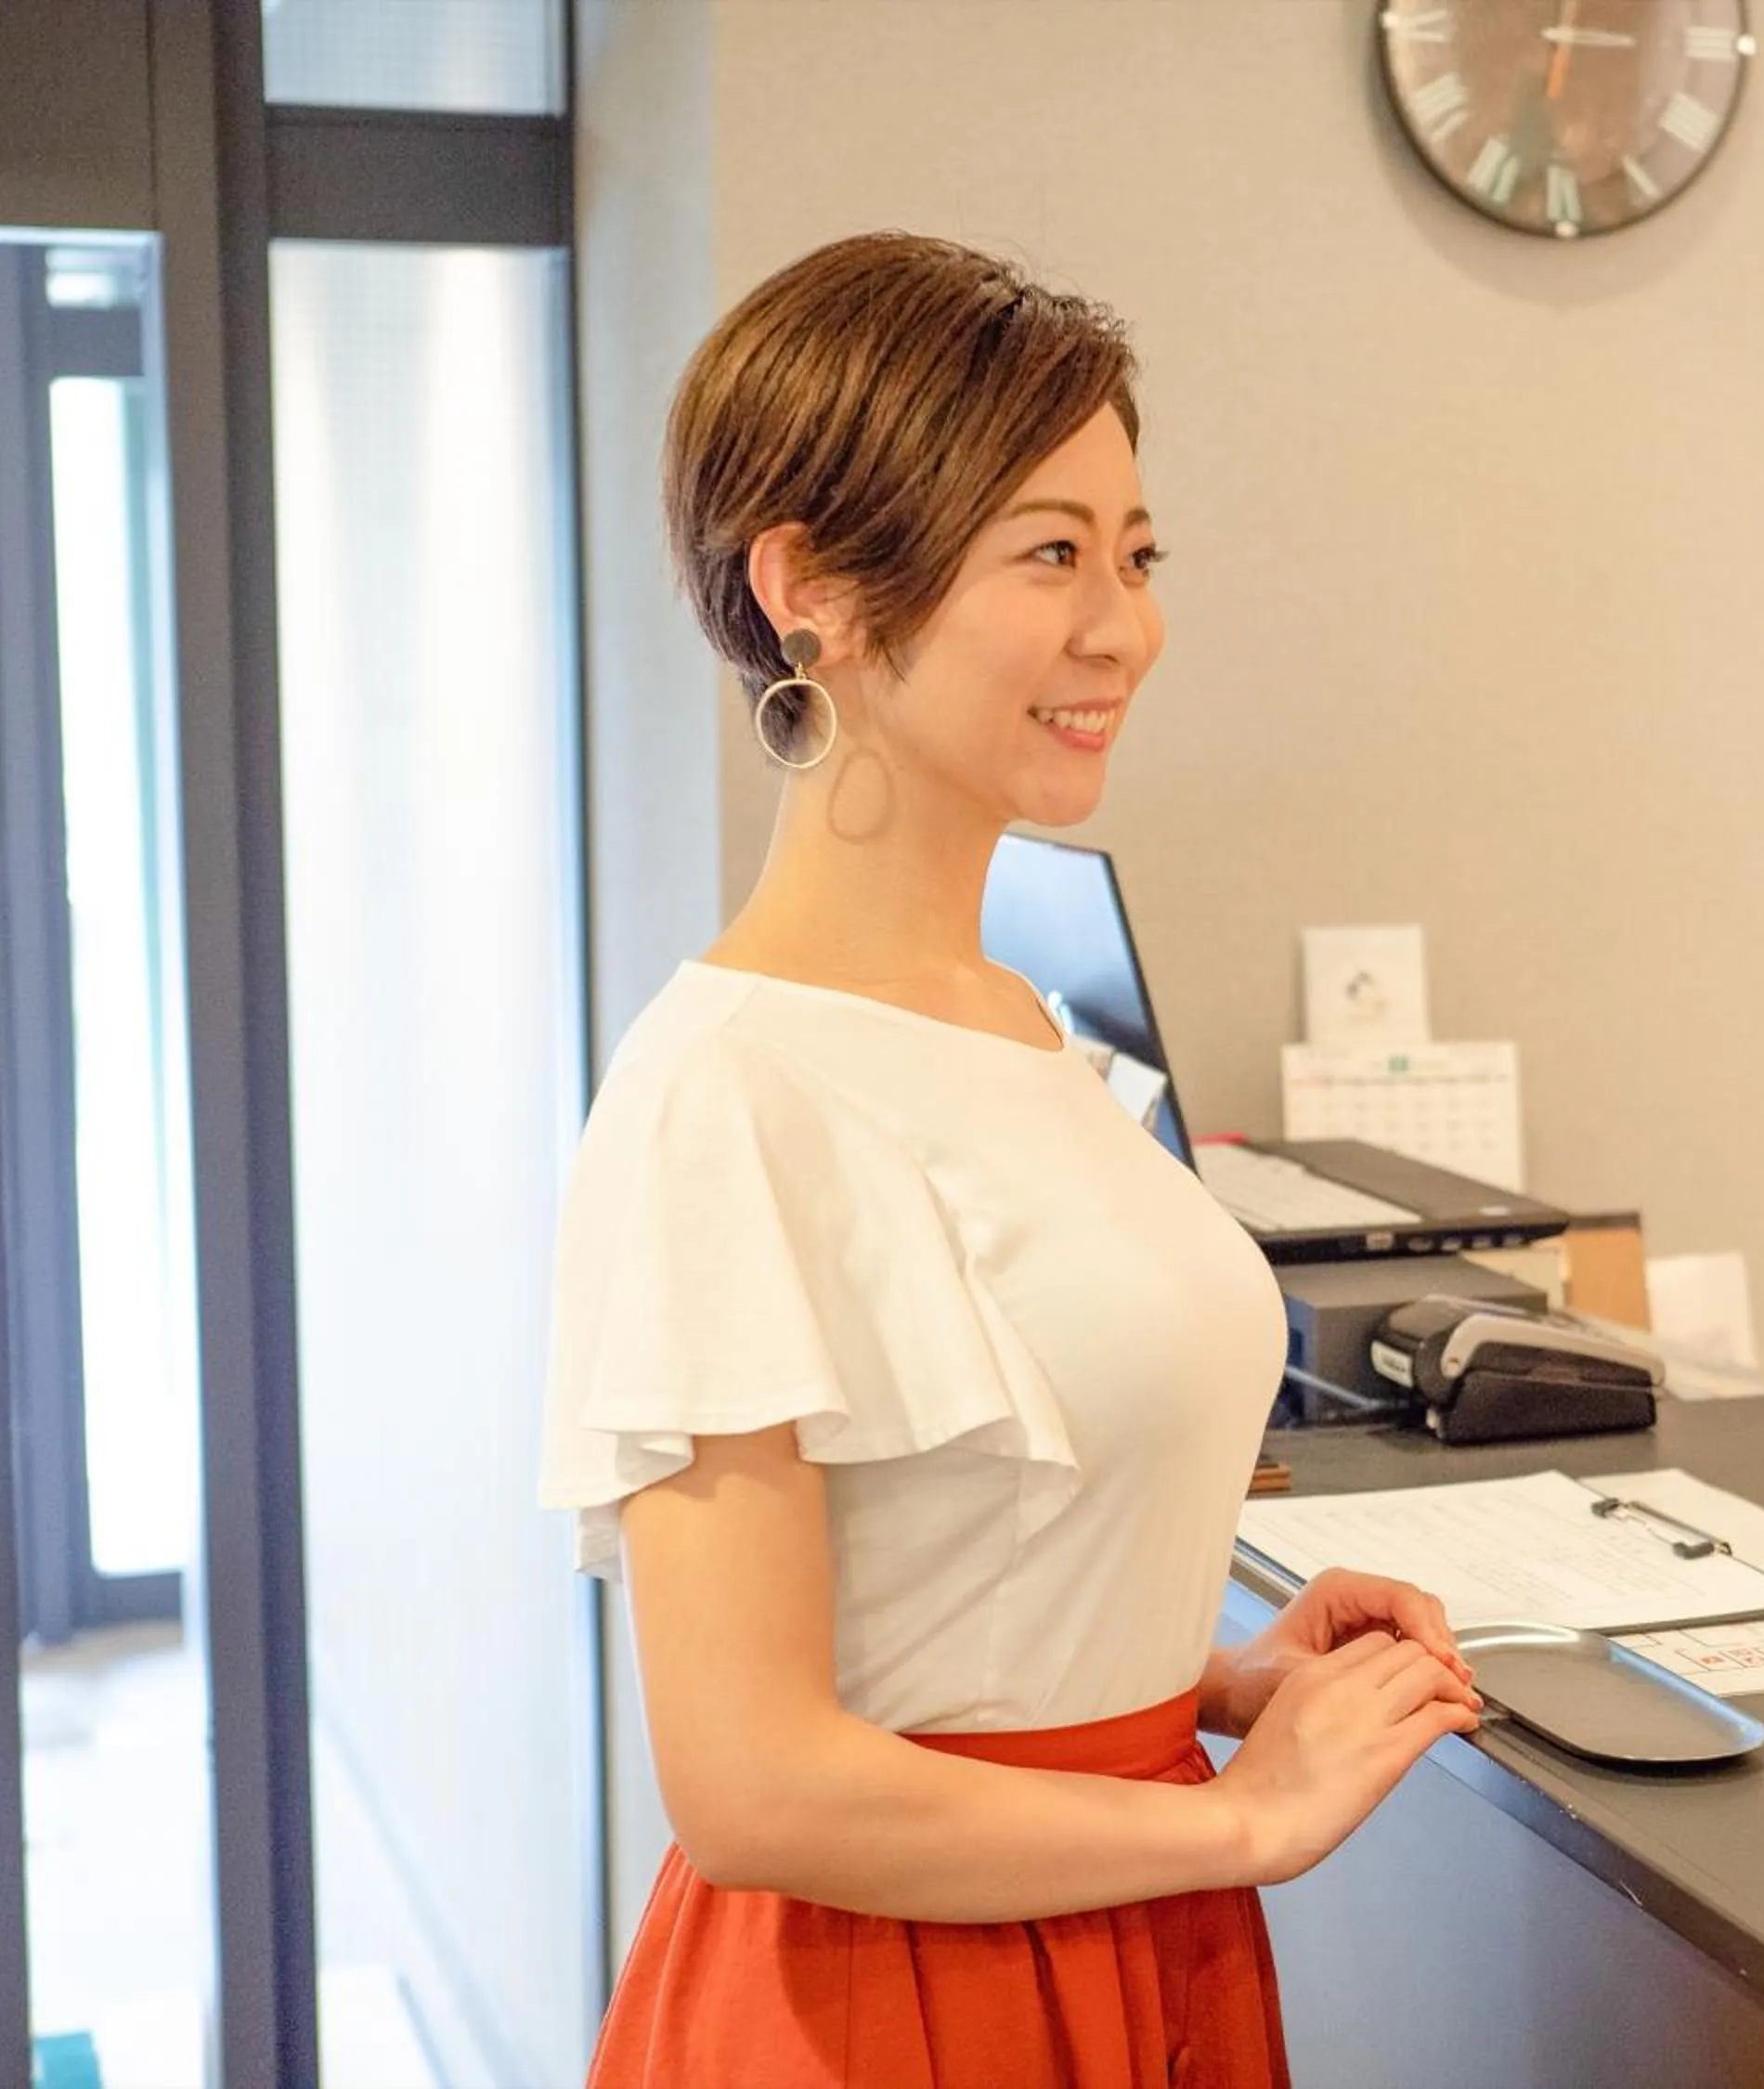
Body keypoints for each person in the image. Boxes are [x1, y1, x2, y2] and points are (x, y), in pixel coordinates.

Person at [538, 231, 1484, 2088]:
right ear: (810, 588)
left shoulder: (1020, 1025)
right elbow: (751, 1785)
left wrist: (1208, 1682)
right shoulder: (726, 1093)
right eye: (1047, 553)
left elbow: (942, 1582)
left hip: (1121, 1942)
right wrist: (1241, 1820)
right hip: (890, 2007)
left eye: (1136, 555)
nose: (1120, 625)